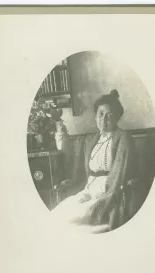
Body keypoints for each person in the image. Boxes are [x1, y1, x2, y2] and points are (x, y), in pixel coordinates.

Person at [53, 89, 139, 234]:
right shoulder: (91, 140)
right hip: (88, 189)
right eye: (100, 114)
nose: (103, 120)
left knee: (72, 222)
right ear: (95, 115)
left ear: (117, 118)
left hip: (109, 191)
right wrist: (60, 130)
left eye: (109, 115)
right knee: (59, 215)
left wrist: (101, 196)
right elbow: (68, 151)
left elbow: (119, 172)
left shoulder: (123, 138)